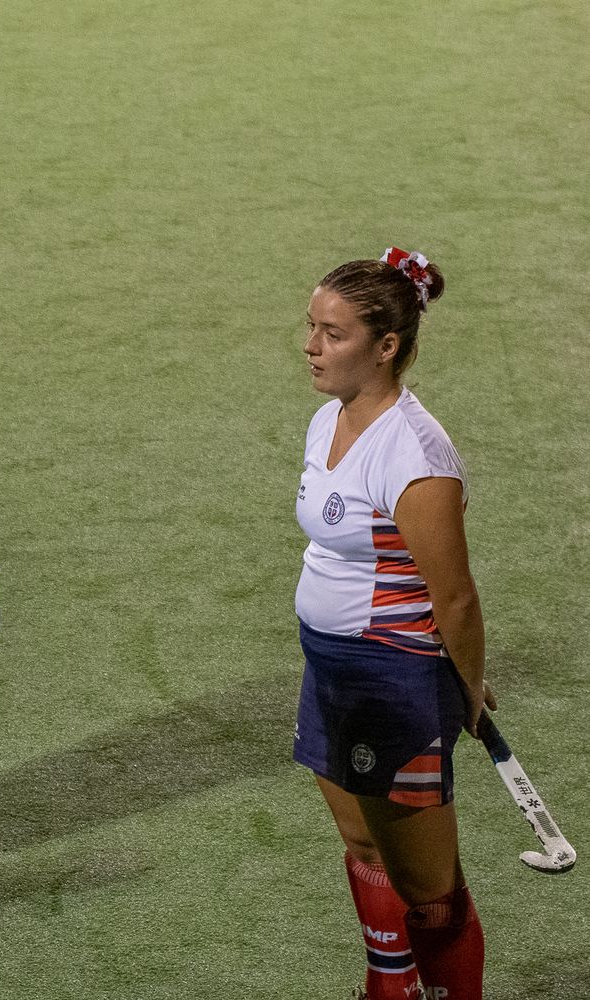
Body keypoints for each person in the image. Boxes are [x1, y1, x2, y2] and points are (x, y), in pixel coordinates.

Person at [293, 249, 492, 1000]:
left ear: (386, 347)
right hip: (332, 667)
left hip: (389, 676)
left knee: (431, 892)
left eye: (333, 334)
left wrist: (465, 689)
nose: (311, 346)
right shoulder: (327, 421)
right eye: (310, 327)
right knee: (361, 841)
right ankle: (390, 983)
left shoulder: (415, 456)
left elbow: (456, 598)